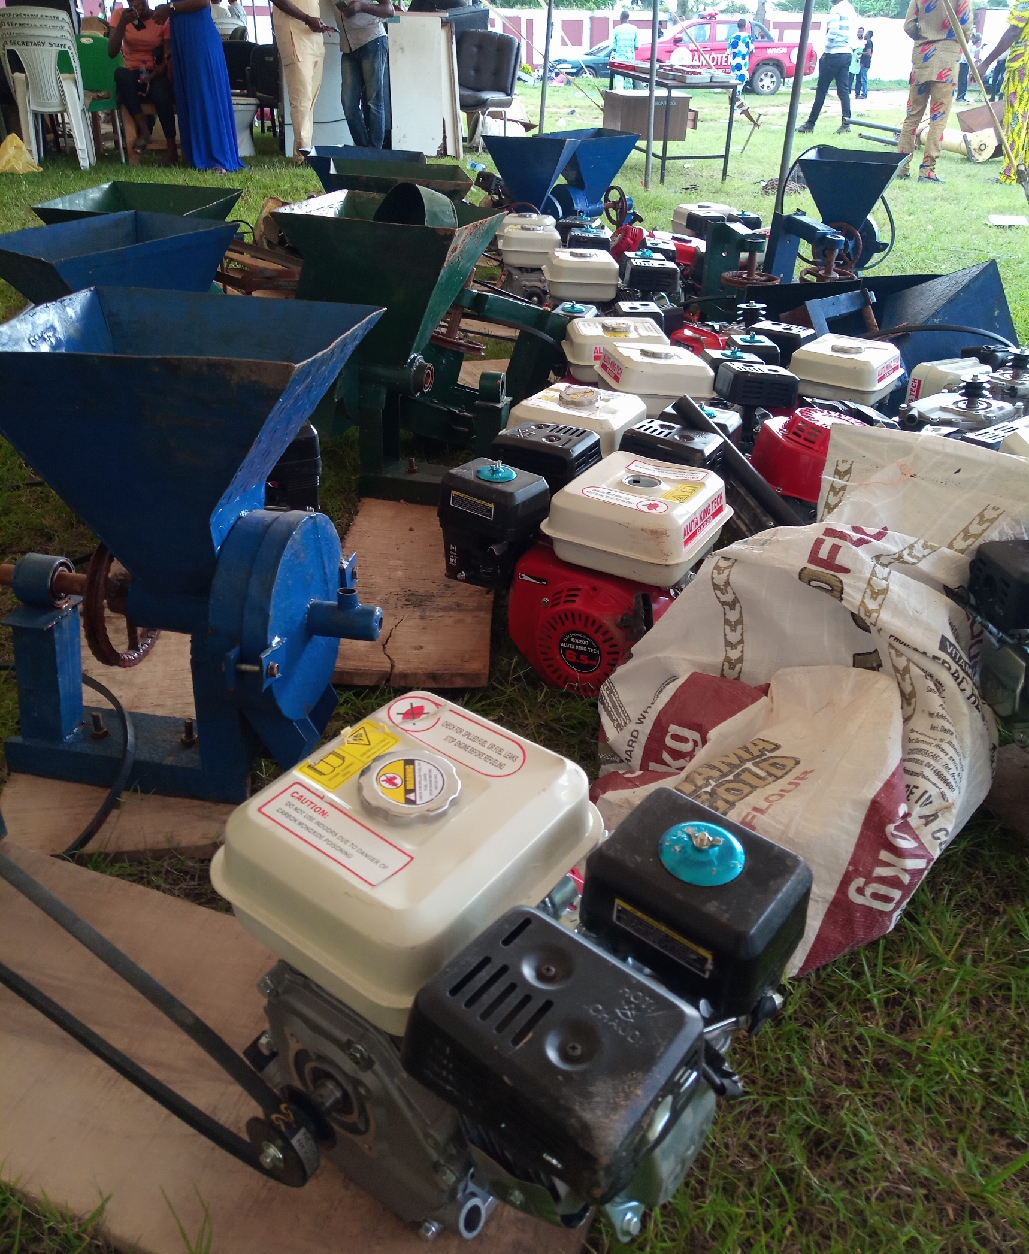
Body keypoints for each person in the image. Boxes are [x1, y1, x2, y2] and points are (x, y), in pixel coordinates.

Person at [152, 0, 243, 171]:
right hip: (182, 34)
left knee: (206, 95)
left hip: (198, 35)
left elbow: (202, 2)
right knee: (192, 96)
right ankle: (198, 154)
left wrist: (170, 8)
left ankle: (217, 159)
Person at [896, 0, 970, 185]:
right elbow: (966, 25)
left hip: (922, 58)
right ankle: (927, 171)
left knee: (912, 116)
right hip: (947, 59)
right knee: (938, 119)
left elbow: (909, 25)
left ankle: (901, 168)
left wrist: (926, 36)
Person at [108, 0, 177, 161]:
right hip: (133, 72)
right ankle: (143, 130)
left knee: (161, 90)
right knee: (121, 75)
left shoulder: (160, 18)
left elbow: (167, 57)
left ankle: (171, 146)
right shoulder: (120, 15)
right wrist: (123, 24)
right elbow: (112, 51)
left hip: (156, 73)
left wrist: (151, 76)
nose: (136, 3)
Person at [272, 0, 332, 162]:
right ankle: (302, 156)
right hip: (294, 35)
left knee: (310, 99)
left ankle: (304, 150)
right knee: (301, 98)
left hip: (313, 37)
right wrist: (306, 18)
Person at [980, 1, 1029, 185]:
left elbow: (1014, 31)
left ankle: (1010, 173)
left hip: (1023, 64)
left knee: (1016, 117)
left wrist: (987, 62)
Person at [334, 0, 393, 148]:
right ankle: (364, 150)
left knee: (374, 100)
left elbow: (389, 10)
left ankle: (374, 151)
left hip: (372, 39)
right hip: (347, 47)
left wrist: (361, 6)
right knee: (348, 103)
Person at [797, 0, 857, 134]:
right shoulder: (850, 9)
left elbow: (833, 32)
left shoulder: (836, 10)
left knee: (821, 90)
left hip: (834, 53)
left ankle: (810, 124)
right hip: (847, 52)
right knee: (843, 91)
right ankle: (846, 123)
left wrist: (827, 50)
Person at [611, 11, 638, 90]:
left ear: (621, 18)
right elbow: (636, 46)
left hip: (619, 59)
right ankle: (629, 99)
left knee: (619, 80)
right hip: (630, 60)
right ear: (628, 18)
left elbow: (614, 47)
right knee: (629, 80)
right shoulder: (634, 29)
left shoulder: (617, 29)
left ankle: (619, 98)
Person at [957, 30, 982, 102]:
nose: (977, 42)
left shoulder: (973, 46)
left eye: (978, 41)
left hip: (967, 64)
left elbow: (974, 52)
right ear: (974, 38)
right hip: (963, 63)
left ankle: (962, 96)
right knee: (962, 81)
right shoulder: (968, 45)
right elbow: (967, 56)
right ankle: (960, 97)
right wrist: (974, 60)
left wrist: (981, 47)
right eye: (977, 40)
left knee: (965, 80)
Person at [855, 29, 873, 99]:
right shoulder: (868, 42)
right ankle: (863, 93)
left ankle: (864, 94)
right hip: (864, 62)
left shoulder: (868, 42)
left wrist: (861, 53)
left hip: (865, 63)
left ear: (868, 35)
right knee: (862, 78)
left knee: (863, 79)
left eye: (865, 34)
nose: (864, 35)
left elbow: (868, 53)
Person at [848, 25, 864, 93]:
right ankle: (848, 92)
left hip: (861, 62)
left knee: (859, 79)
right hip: (853, 61)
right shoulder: (854, 41)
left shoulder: (864, 41)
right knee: (850, 78)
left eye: (860, 32)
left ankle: (857, 93)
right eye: (858, 32)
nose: (859, 33)